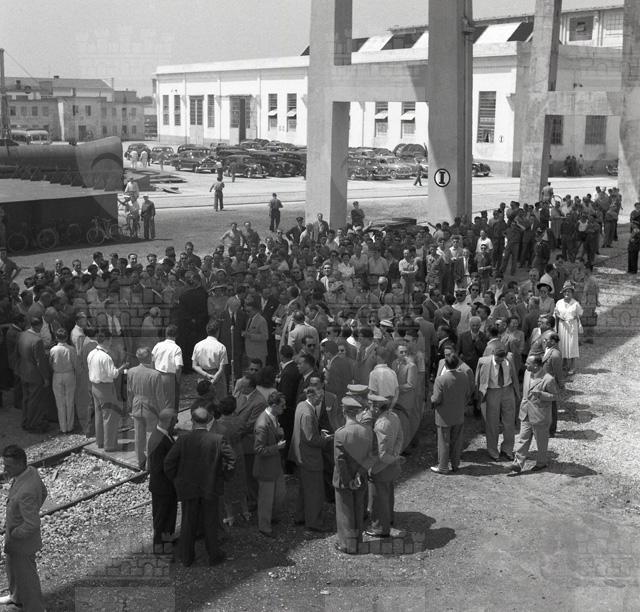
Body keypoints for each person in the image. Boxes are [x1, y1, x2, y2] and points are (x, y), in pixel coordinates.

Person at [164, 406, 235, 566]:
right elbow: (232, 460)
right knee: (211, 522)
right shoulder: (217, 439)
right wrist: (223, 477)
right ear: (208, 420)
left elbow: (169, 463)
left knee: (188, 523)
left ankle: (187, 557)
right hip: (211, 487)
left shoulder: (183, 440)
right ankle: (214, 556)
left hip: (188, 488)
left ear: (192, 421)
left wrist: (177, 480)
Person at [0, 445, 48, 612]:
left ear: (20, 464)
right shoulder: (31, 472)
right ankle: (16, 597)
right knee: (12, 569)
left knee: (27, 579)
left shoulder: (26, 491)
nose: (5, 469)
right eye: (4, 464)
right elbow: (43, 492)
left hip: (22, 543)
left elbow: (32, 524)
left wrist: (15, 532)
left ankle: (35, 608)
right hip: (14, 539)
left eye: (8, 466)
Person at [333, 396, 374, 554]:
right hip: (360, 478)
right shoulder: (367, 431)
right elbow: (372, 456)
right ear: (357, 412)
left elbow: (340, 461)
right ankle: (358, 542)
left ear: (344, 411)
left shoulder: (340, 433)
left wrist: (348, 480)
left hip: (344, 480)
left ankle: (347, 545)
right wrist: (359, 473)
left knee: (345, 512)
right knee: (358, 509)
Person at [288, 386, 332, 533]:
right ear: (311, 396)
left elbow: (308, 433)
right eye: (319, 398)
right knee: (315, 492)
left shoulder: (301, 405)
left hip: (301, 455)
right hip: (310, 458)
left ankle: (300, 516)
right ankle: (314, 522)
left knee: (304, 489)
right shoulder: (308, 413)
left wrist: (318, 432)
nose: (321, 400)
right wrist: (325, 440)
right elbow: (311, 439)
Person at [510, 355, 558, 473]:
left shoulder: (548, 379)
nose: (525, 365)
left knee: (541, 442)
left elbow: (555, 396)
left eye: (528, 363)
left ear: (535, 365)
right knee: (523, 438)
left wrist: (541, 394)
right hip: (525, 412)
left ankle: (541, 463)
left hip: (539, 416)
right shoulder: (527, 373)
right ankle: (518, 463)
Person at [365, 393, 404, 538]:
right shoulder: (394, 416)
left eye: (370, 405)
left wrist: (393, 458)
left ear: (376, 408)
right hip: (391, 465)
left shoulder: (380, 425)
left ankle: (380, 528)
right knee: (388, 494)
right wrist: (395, 454)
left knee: (378, 499)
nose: (369, 408)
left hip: (380, 467)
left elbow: (381, 455)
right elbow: (400, 437)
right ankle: (389, 518)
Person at [127, 347, 171, 469]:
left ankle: (140, 461)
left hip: (136, 405)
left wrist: (130, 406)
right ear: (150, 358)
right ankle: (150, 464)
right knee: (151, 437)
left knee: (138, 436)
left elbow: (129, 391)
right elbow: (159, 396)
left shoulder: (131, 371)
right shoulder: (155, 374)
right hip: (151, 408)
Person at [475, 344, 521, 461]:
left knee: (509, 422)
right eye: (497, 360)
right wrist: (478, 397)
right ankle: (493, 451)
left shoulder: (509, 358)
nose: (500, 362)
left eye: (502, 360)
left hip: (508, 390)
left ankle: (507, 450)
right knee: (492, 423)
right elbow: (477, 380)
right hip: (492, 392)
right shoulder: (483, 361)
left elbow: (515, 373)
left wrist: (517, 393)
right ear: (493, 355)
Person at [430, 347, 471, 474]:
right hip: (458, 414)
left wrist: (431, 399)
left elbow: (436, 399)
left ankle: (443, 466)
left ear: (445, 365)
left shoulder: (440, 380)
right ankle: (455, 464)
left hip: (444, 415)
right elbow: (467, 393)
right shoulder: (464, 376)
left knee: (443, 441)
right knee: (457, 441)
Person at [87, 328, 128, 452]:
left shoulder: (91, 353)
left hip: (94, 386)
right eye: (110, 340)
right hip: (105, 388)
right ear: (105, 340)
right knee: (110, 416)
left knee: (99, 415)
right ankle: (110, 445)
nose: (111, 342)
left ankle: (100, 441)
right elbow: (113, 374)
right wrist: (123, 367)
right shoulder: (106, 357)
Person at [253, 391, 287, 537]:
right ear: (273, 405)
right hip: (266, 468)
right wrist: (276, 447)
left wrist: (279, 434)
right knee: (266, 500)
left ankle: (272, 517)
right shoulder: (262, 424)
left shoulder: (274, 417)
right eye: (282, 405)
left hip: (275, 465)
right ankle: (264, 527)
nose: (284, 408)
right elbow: (258, 449)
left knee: (280, 494)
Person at [147, 409, 178, 546]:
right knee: (162, 517)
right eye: (175, 421)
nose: (176, 423)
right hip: (163, 487)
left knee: (169, 515)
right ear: (169, 422)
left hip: (166, 486)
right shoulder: (159, 440)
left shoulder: (163, 435)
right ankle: (159, 545)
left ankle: (167, 540)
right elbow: (158, 467)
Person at [16, 317, 50, 433]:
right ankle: (33, 423)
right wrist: (45, 378)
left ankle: (25, 421)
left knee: (26, 398)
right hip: (35, 375)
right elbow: (40, 362)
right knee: (35, 400)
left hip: (24, 372)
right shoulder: (37, 340)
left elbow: (17, 353)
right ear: (39, 326)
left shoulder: (21, 335)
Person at [48, 327, 77, 433]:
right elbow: (75, 364)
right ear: (67, 337)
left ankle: (63, 427)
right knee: (70, 400)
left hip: (57, 375)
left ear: (56, 337)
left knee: (59, 402)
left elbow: (50, 363)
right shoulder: (71, 349)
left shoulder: (53, 350)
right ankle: (70, 426)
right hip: (69, 374)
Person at [192, 321, 228, 400]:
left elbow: (194, 365)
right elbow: (222, 368)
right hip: (217, 376)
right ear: (218, 331)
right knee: (219, 401)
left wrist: (206, 375)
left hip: (202, 376)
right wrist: (214, 379)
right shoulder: (221, 347)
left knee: (203, 402)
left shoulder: (198, 345)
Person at [553, 281, 583, 375]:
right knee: (562, 344)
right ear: (563, 292)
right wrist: (559, 316)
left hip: (572, 326)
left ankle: (573, 366)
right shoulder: (559, 303)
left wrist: (573, 318)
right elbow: (555, 313)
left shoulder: (575, 303)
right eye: (565, 291)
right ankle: (564, 364)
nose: (567, 293)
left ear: (572, 293)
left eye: (569, 291)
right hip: (562, 326)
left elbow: (580, 313)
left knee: (572, 345)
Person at [152, 324, 183, 411]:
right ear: (177, 335)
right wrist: (178, 380)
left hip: (156, 375)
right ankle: (168, 420)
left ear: (166, 334)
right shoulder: (176, 348)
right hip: (169, 377)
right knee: (169, 403)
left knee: (157, 401)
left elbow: (152, 360)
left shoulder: (158, 345)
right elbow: (178, 367)